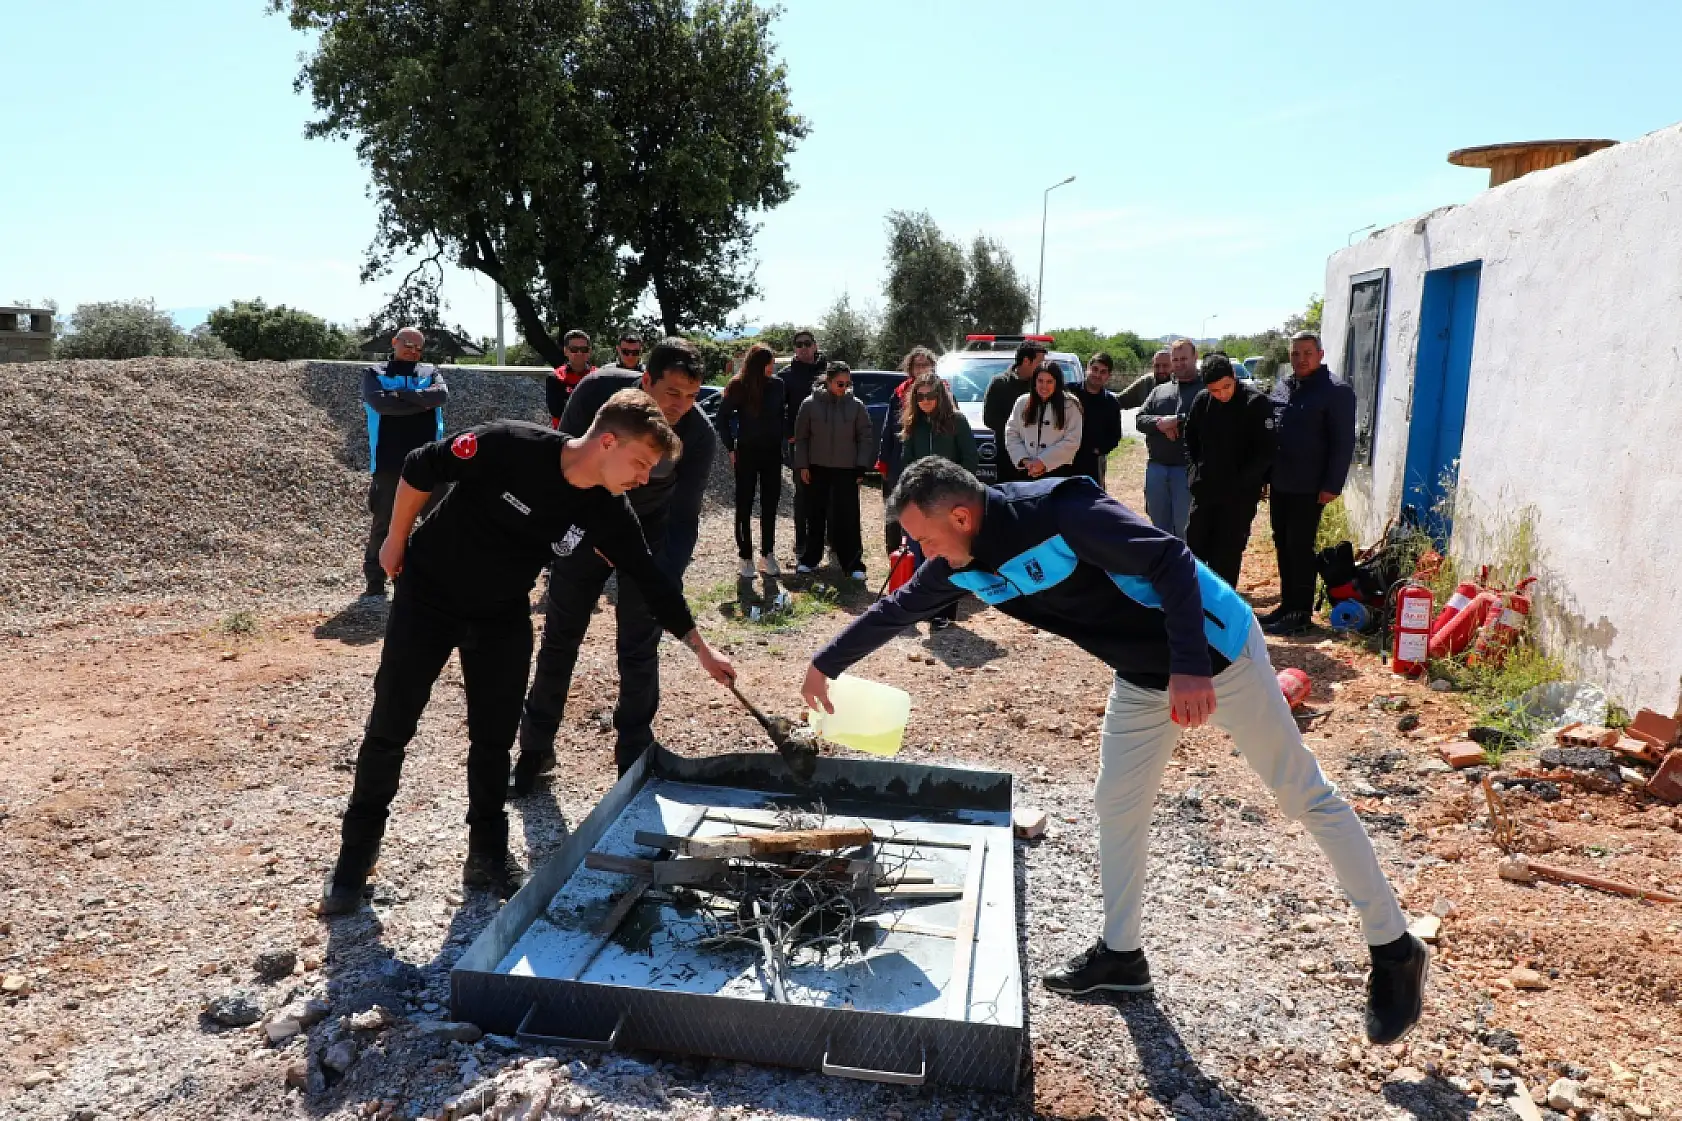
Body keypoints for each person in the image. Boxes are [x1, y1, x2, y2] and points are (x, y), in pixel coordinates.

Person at [799, 457, 1427, 1046]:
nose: (919, 553)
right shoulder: (959, 564)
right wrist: (824, 664)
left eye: (924, 538)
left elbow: (1171, 562)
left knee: (1302, 795)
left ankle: (1396, 950)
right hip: (1141, 675)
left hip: (1215, 653)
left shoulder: (1061, 511)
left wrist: (1188, 667)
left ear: (960, 516)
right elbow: (896, 609)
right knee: (1117, 807)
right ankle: (1122, 956)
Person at [322, 390, 736, 914]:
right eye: (639, 463)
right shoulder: (509, 443)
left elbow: (652, 579)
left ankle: (487, 857)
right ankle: (354, 865)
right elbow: (420, 464)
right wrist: (395, 539)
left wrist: (702, 649)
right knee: (390, 729)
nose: (643, 477)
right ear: (607, 441)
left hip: (501, 614)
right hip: (429, 596)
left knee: (494, 741)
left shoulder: (608, 509)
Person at [513, 338, 717, 788]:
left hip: (648, 540)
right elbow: (561, 471)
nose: (683, 406)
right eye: (672, 394)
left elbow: (684, 520)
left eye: (693, 395)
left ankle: (634, 758)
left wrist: (662, 579)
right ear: (647, 380)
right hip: (586, 529)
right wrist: (576, 534)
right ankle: (534, 749)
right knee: (560, 638)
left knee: (639, 649)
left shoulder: (699, 434)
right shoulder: (595, 392)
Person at [1263, 332, 1356, 636]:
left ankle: (1300, 614)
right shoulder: (1285, 386)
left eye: (1307, 353)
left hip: (1310, 485)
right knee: (1282, 543)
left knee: (1299, 547)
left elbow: (1343, 443)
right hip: (1281, 481)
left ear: (1320, 354)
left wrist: (1332, 484)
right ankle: (1288, 605)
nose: (1300, 359)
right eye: (1295, 354)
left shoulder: (1336, 391)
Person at [360, 326, 449, 599]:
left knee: (438, 522)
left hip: (430, 462)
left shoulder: (430, 372)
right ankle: (376, 581)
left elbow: (440, 396)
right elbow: (381, 405)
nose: (413, 351)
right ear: (395, 342)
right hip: (389, 462)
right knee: (385, 522)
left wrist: (400, 395)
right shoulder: (374, 374)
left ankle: (432, 576)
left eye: (418, 348)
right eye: (408, 344)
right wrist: (421, 403)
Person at [1183, 354, 1276, 588]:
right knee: (1194, 550)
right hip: (1205, 491)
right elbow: (1190, 440)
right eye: (1215, 390)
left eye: (1227, 387)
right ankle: (1195, 605)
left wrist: (1242, 484)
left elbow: (1265, 453)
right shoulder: (1202, 401)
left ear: (1234, 377)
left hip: (1238, 497)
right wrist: (1194, 474)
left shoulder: (1256, 403)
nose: (1222, 394)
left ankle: (1222, 612)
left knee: (1226, 555)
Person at [896, 371, 977, 629]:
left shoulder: (957, 421)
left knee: (947, 556)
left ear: (940, 395)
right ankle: (926, 607)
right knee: (923, 555)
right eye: (920, 397)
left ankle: (943, 611)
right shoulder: (913, 425)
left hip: (951, 501)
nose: (926, 401)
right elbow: (906, 463)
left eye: (931, 395)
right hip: (921, 501)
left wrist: (959, 493)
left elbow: (970, 460)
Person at [792, 362, 876, 580]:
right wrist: (802, 465)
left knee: (848, 518)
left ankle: (853, 564)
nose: (844, 388)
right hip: (817, 468)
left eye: (848, 384)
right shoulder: (809, 405)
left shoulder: (857, 406)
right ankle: (810, 559)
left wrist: (861, 467)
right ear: (828, 381)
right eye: (840, 383)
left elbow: (865, 438)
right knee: (815, 516)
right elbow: (801, 438)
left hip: (846, 470)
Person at [717, 343, 788, 578]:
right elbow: (722, 418)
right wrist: (730, 447)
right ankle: (745, 556)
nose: (774, 366)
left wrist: (786, 433)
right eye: (770, 362)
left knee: (770, 505)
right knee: (744, 505)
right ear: (760, 364)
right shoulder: (739, 386)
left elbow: (782, 414)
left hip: (772, 452)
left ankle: (767, 554)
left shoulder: (778, 386)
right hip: (746, 451)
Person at [1135, 339, 1203, 537]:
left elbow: (1208, 420)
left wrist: (1177, 421)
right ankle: (1165, 566)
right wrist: (1160, 423)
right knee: (1159, 528)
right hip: (1157, 468)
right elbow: (1140, 419)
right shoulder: (1160, 390)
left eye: (1184, 358)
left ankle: (1185, 567)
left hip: (1187, 471)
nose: (1180, 363)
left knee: (1185, 529)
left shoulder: (1205, 389)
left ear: (1195, 357)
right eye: (1176, 359)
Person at [877, 346, 939, 554]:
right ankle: (896, 556)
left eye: (925, 364)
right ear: (910, 368)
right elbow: (888, 430)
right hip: (900, 459)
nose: (921, 369)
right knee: (897, 509)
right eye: (917, 365)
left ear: (932, 366)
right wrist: (883, 461)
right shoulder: (899, 392)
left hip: (932, 461)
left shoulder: (944, 391)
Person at [778, 330, 827, 560]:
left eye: (808, 343)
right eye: (799, 344)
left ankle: (829, 541)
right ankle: (801, 542)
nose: (804, 347)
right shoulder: (786, 376)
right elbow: (779, 410)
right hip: (800, 444)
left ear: (815, 346)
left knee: (829, 491)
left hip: (829, 441)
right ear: (794, 349)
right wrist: (789, 435)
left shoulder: (828, 371)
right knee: (802, 493)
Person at [1005, 362, 1084, 480]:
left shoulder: (1070, 404)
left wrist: (1043, 461)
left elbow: (1073, 440)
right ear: (1034, 382)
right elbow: (1011, 433)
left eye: (1049, 381)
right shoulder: (1022, 402)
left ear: (1056, 383)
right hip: (1026, 470)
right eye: (1040, 381)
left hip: (1057, 471)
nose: (1044, 386)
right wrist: (1024, 460)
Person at [982, 339, 1046, 483]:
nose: (1043, 367)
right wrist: (1017, 429)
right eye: (1039, 363)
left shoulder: (1042, 386)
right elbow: (990, 419)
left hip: (1039, 459)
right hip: (1008, 458)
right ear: (1026, 361)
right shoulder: (999, 384)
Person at [1070, 351, 1123, 487]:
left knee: (1093, 502)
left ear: (1108, 376)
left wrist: (1098, 450)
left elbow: (1115, 435)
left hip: (1093, 462)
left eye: (1103, 372)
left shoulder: (1111, 403)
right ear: (1087, 368)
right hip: (1065, 458)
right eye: (1095, 369)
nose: (1097, 375)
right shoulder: (1069, 393)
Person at [545, 329, 595, 424]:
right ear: (566, 351)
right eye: (574, 349)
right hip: (564, 433)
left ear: (589, 352)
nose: (579, 353)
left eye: (584, 349)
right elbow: (557, 411)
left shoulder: (598, 376)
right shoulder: (555, 377)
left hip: (593, 433)